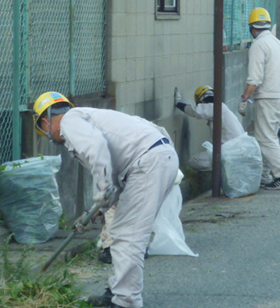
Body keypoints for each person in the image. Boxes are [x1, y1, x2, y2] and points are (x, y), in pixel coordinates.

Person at [32, 91, 179, 308]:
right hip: (153, 161)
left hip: (148, 163)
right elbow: (116, 176)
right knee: (122, 231)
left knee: (128, 235)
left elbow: (97, 149)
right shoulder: (87, 118)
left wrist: (101, 190)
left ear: (45, 121)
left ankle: (125, 301)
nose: (48, 136)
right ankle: (119, 292)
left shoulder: (70, 121)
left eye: (44, 131)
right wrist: (96, 210)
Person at [238, 7, 280, 190]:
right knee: (265, 137)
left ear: (252, 27)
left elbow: (255, 79)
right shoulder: (278, 43)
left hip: (267, 98)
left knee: (266, 139)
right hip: (278, 96)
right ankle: (264, 175)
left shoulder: (258, 45)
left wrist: (244, 98)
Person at [174, 85, 245, 171]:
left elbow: (195, 111)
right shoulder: (221, 108)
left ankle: (224, 168)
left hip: (231, 152)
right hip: (237, 150)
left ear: (202, 100)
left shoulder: (216, 107)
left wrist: (178, 103)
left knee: (195, 161)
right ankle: (223, 171)